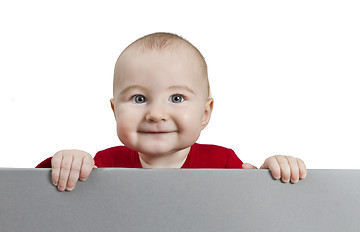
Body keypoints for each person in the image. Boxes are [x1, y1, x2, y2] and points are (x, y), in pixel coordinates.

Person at [36, 32, 307, 191]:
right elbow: (33, 195)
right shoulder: (101, 166)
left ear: (205, 113)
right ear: (114, 110)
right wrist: (66, 163)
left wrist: (273, 174)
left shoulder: (223, 163)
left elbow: (252, 208)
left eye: (176, 97)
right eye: (139, 98)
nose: (156, 113)